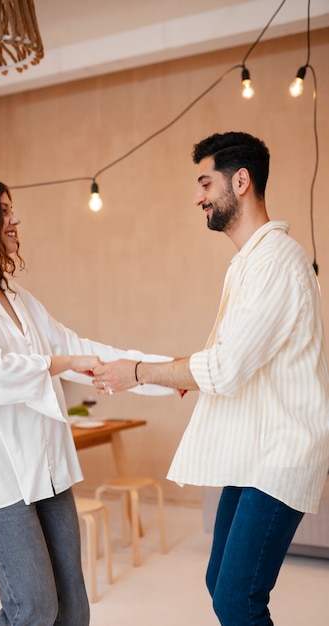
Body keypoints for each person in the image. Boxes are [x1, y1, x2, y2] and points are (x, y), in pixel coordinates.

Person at [92, 131, 329, 626]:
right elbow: (232, 356)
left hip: (278, 455)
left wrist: (135, 374)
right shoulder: (248, 263)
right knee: (218, 580)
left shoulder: (276, 262)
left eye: (205, 183)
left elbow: (223, 368)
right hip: (252, 453)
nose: (197, 196)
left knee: (237, 599)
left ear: (240, 182)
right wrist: (186, 370)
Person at [0, 175, 170, 626]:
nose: (15, 219)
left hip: (48, 469)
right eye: (4, 210)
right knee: (33, 609)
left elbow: (84, 351)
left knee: (72, 609)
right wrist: (57, 362)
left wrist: (163, 374)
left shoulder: (16, 296)